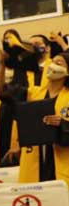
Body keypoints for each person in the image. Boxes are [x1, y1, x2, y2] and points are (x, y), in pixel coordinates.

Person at [8, 55, 69, 183]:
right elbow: (3, 93)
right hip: (38, 155)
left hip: (62, 157)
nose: (53, 65)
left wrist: (62, 123)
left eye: (59, 63)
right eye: (52, 62)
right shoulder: (35, 94)